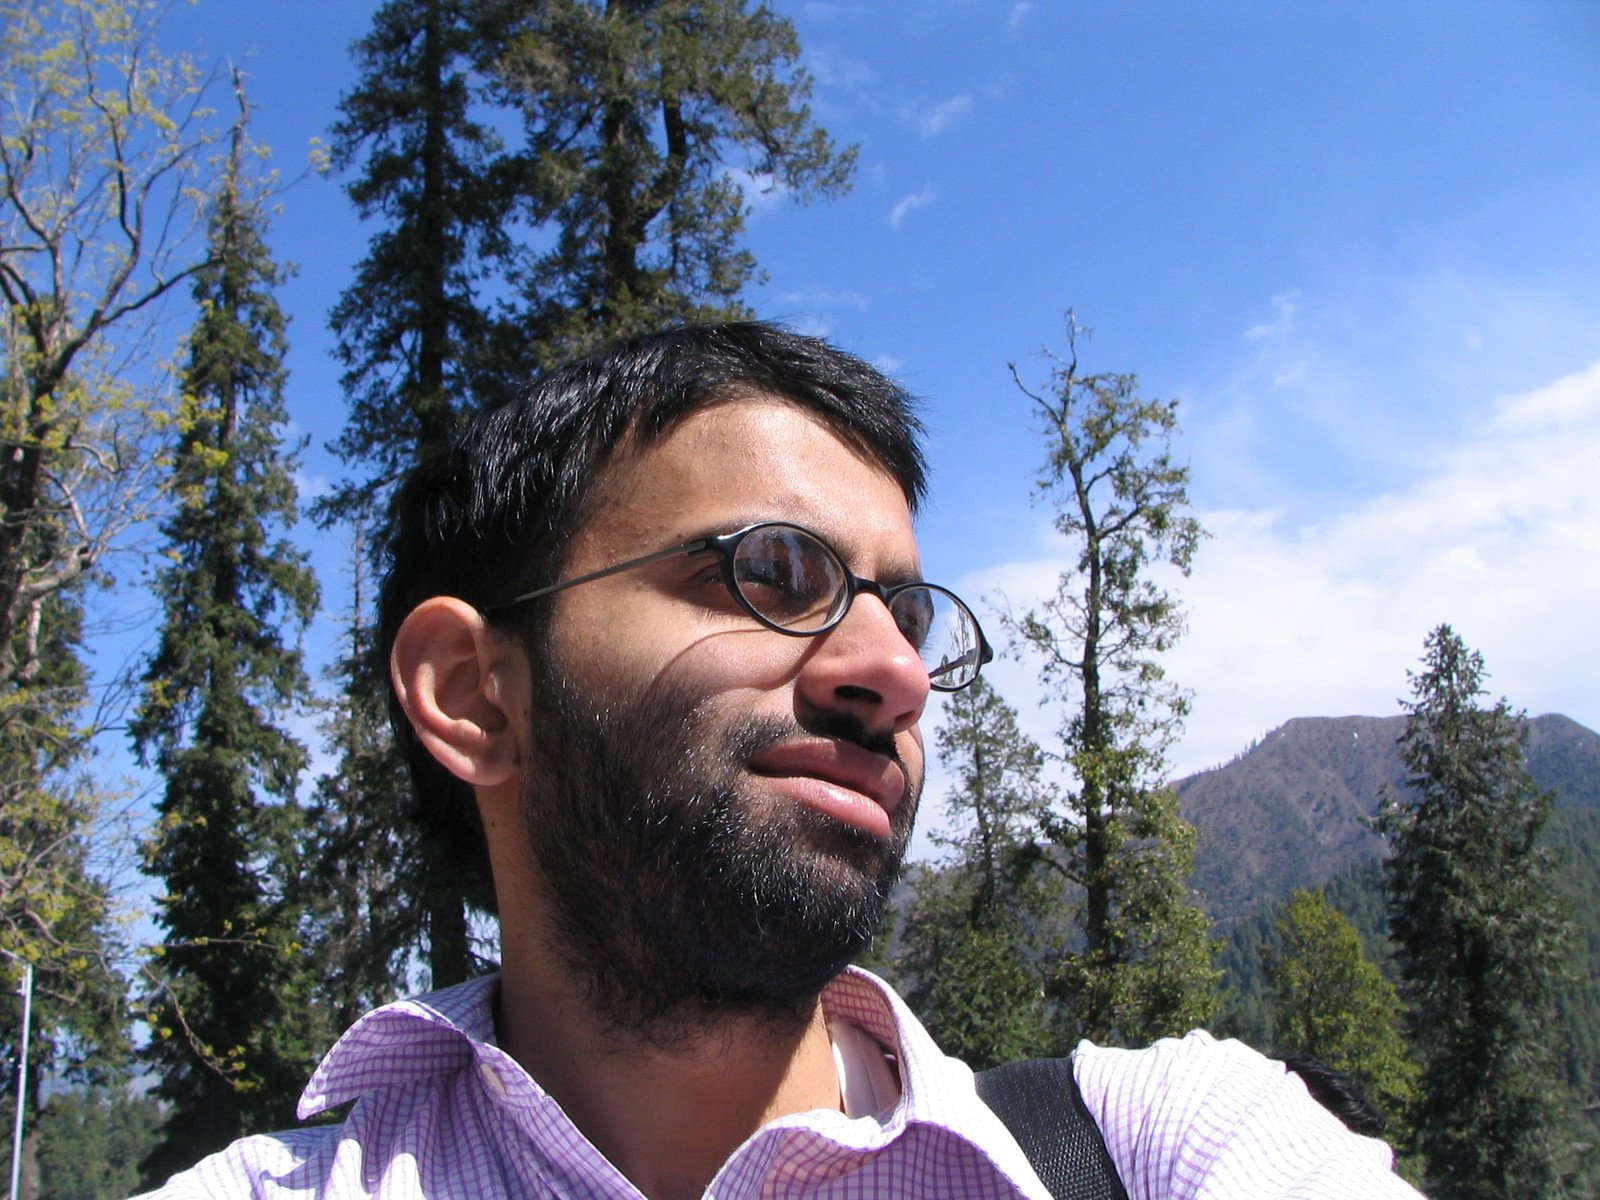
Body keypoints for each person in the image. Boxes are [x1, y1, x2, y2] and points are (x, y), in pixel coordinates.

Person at [143, 322, 1421, 1199]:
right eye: (771, 572)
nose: (897, 675)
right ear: (476, 693)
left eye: (904, 612)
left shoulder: (1155, 1152)